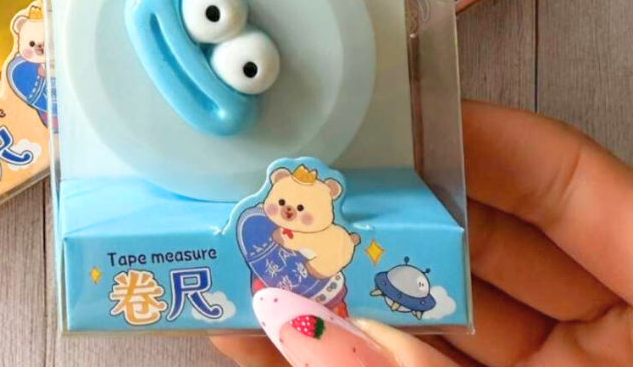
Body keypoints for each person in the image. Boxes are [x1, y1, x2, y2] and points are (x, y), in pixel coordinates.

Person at [212, 100, 633, 366]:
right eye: (285, 204)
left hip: (332, 279)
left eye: (300, 208)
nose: (288, 212)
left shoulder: (328, 235)